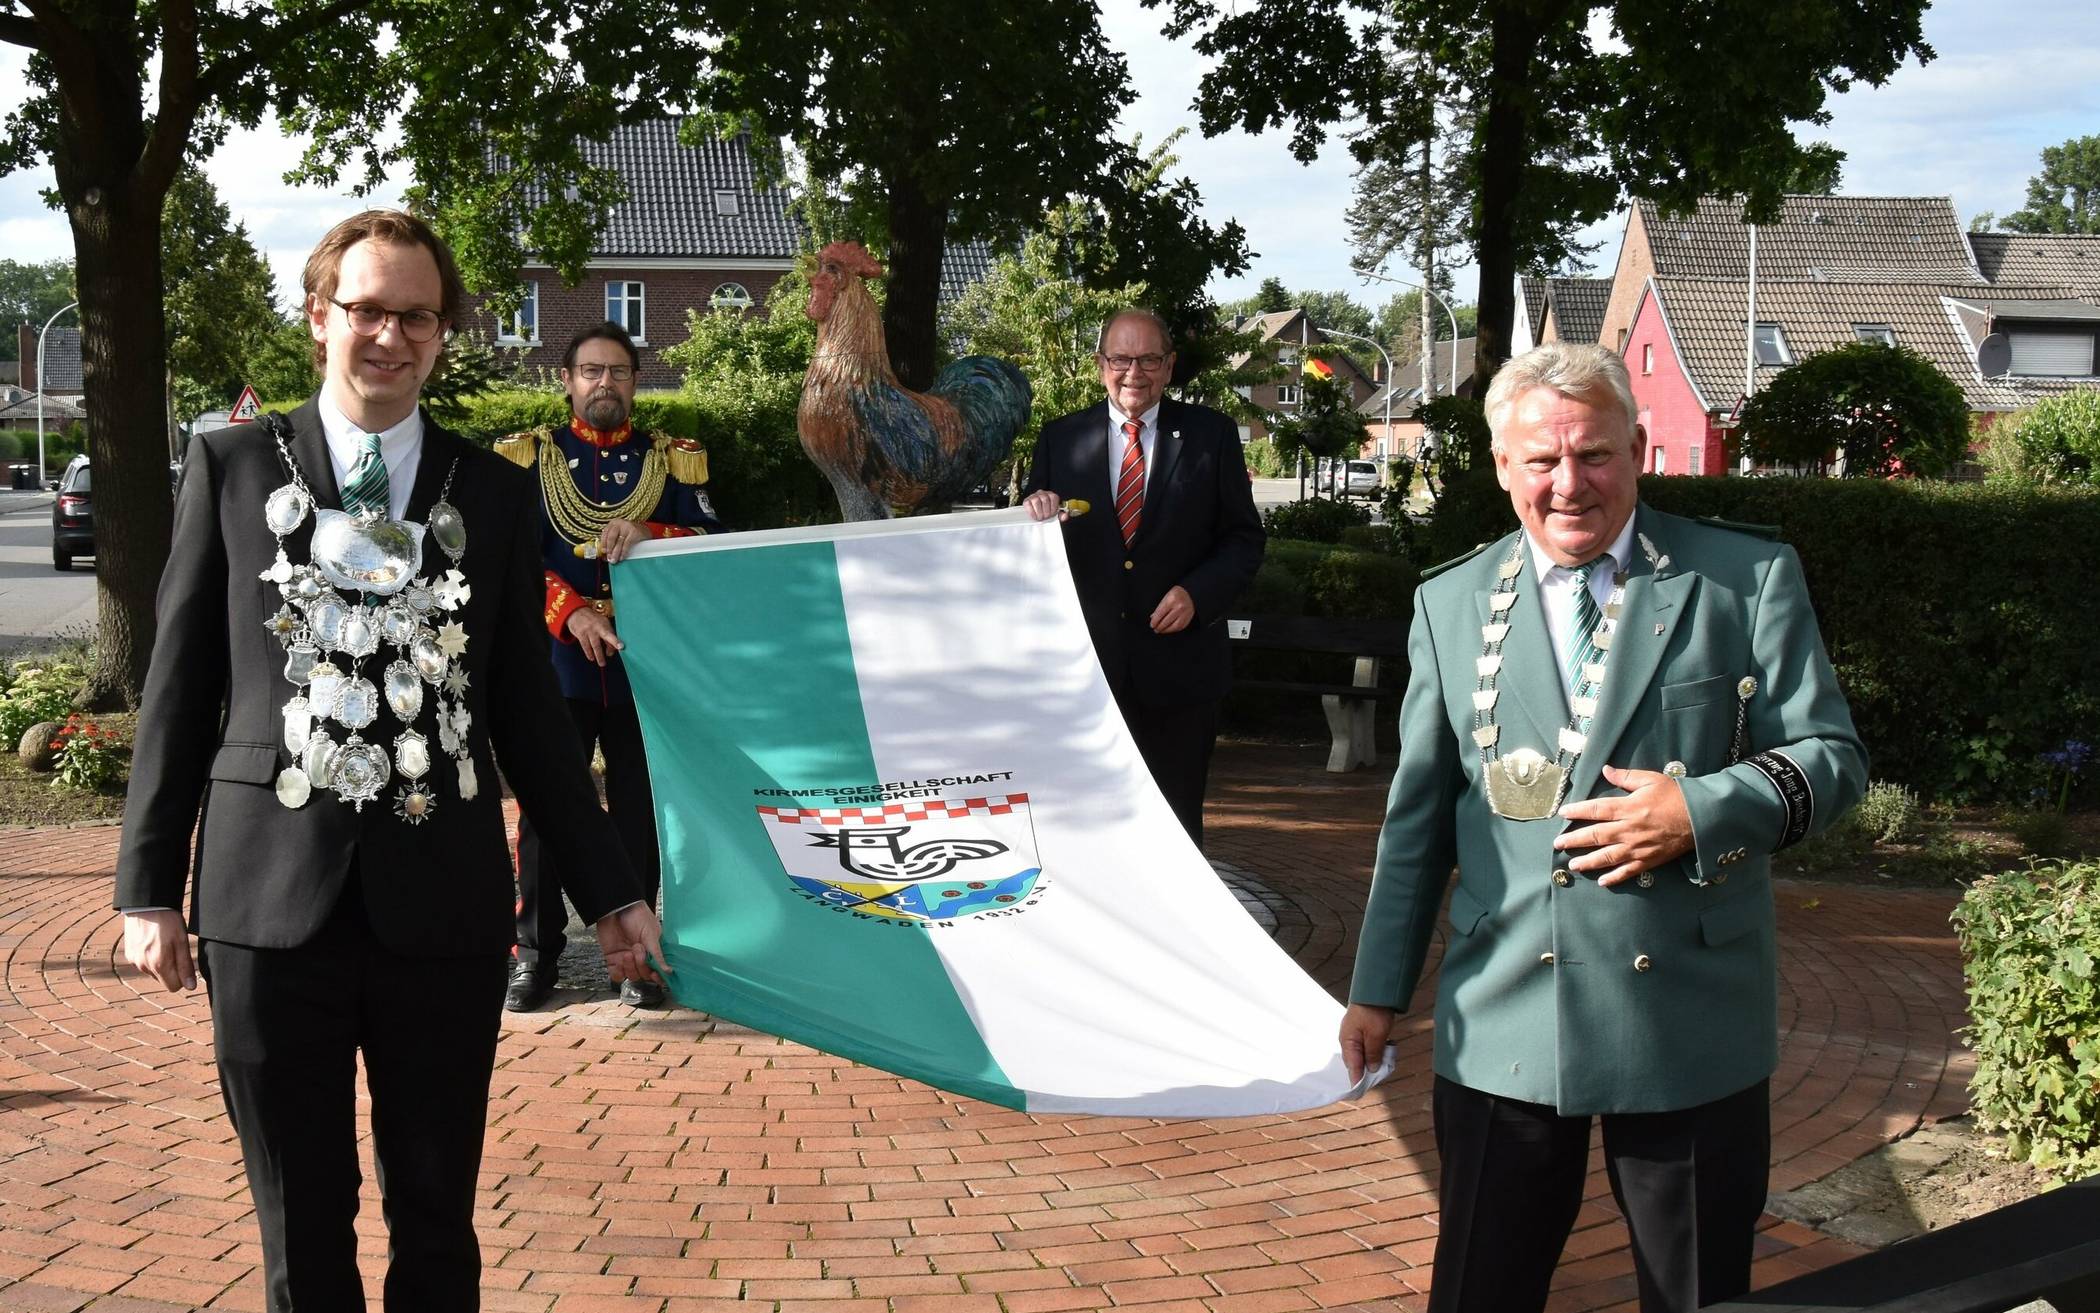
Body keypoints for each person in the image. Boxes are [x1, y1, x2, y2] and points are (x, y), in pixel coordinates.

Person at [115, 209, 668, 1312]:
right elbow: (180, 686)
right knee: (299, 1218)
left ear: (444, 334)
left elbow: (527, 715)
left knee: (435, 1215)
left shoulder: (494, 491)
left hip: (444, 909)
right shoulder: (228, 466)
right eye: (368, 308)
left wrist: (611, 890)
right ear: (320, 317)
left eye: (417, 315)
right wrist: (146, 886)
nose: (391, 334)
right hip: (265, 906)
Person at [1339, 343, 1866, 1313]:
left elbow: (1833, 756)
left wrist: (1701, 807)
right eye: (1541, 460)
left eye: (1595, 455)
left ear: (1638, 447)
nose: (1568, 484)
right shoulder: (1449, 601)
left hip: (1686, 1015)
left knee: (1696, 1294)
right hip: (1503, 1013)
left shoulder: (1744, 579)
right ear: (1503, 466)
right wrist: (1377, 988)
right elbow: (1418, 816)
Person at [499, 321, 721, 1011]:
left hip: (641, 664)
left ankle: (634, 956)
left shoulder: (672, 460)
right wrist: (572, 611)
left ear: (635, 382)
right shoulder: (527, 459)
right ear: (567, 380)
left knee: (636, 810)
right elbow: (509, 560)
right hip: (555, 662)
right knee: (543, 810)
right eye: (591, 370)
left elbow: (713, 542)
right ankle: (534, 953)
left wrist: (650, 532)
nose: (604, 382)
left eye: (618, 371)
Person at [1023, 309, 1265, 848]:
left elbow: (1244, 540)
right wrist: (1034, 515)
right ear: (1101, 364)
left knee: (1175, 831)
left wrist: (1197, 594)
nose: (1135, 372)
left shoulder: (1213, 436)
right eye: (1122, 359)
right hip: (1084, 676)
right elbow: (1034, 551)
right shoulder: (1061, 440)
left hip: (1180, 676)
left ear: (1170, 365)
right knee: (1083, 827)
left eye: (1150, 359)